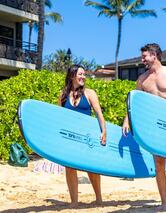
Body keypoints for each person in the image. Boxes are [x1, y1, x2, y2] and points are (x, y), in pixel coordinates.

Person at [122, 43, 166, 211]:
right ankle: (164, 202)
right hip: (155, 125)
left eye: (144, 56)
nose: (142, 59)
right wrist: (127, 120)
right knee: (158, 163)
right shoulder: (142, 80)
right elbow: (134, 103)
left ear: (154, 55)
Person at [59, 64, 107, 207]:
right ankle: (74, 201)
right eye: (80, 74)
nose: (83, 77)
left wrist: (103, 131)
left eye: (84, 74)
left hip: (87, 137)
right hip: (70, 136)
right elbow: (60, 117)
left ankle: (99, 198)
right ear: (72, 76)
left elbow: (99, 113)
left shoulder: (89, 93)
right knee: (70, 167)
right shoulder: (63, 95)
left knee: (91, 167)